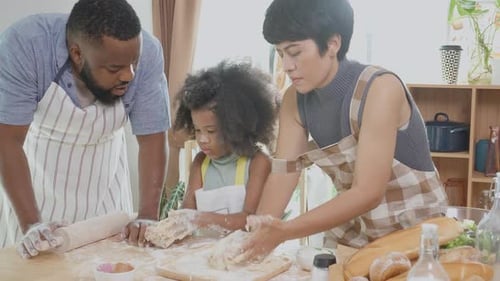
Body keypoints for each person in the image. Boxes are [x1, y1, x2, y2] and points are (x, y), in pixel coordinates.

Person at [232, 0, 448, 261]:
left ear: (333, 43)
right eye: (280, 54)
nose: (287, 66)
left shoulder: (380, 89)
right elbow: (283, 174)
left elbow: (368, 192)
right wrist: (255, 239)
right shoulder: (293, 101)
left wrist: (285, 231)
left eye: (295, 52)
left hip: (417, 239)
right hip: (356, 236)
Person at [0, 0, 170, 258]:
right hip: (37, 185)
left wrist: (148, 215)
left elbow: (153, 138)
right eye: (115, 69)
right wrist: (32, 224)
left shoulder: (148, 51)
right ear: (77, 54)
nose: (129, 75)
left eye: (133, 63)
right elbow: (7, 141)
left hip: (107, 184)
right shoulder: (26, 45)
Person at [153, 61, 277, 241]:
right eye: (197, 130)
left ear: (235, 127)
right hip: (203, 255)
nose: (202, 139)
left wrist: (199, 219)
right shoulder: (200, 163)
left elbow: (249, 220)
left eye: (211, 131)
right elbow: (188, 211)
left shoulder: (258, 162)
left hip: (242, 255)